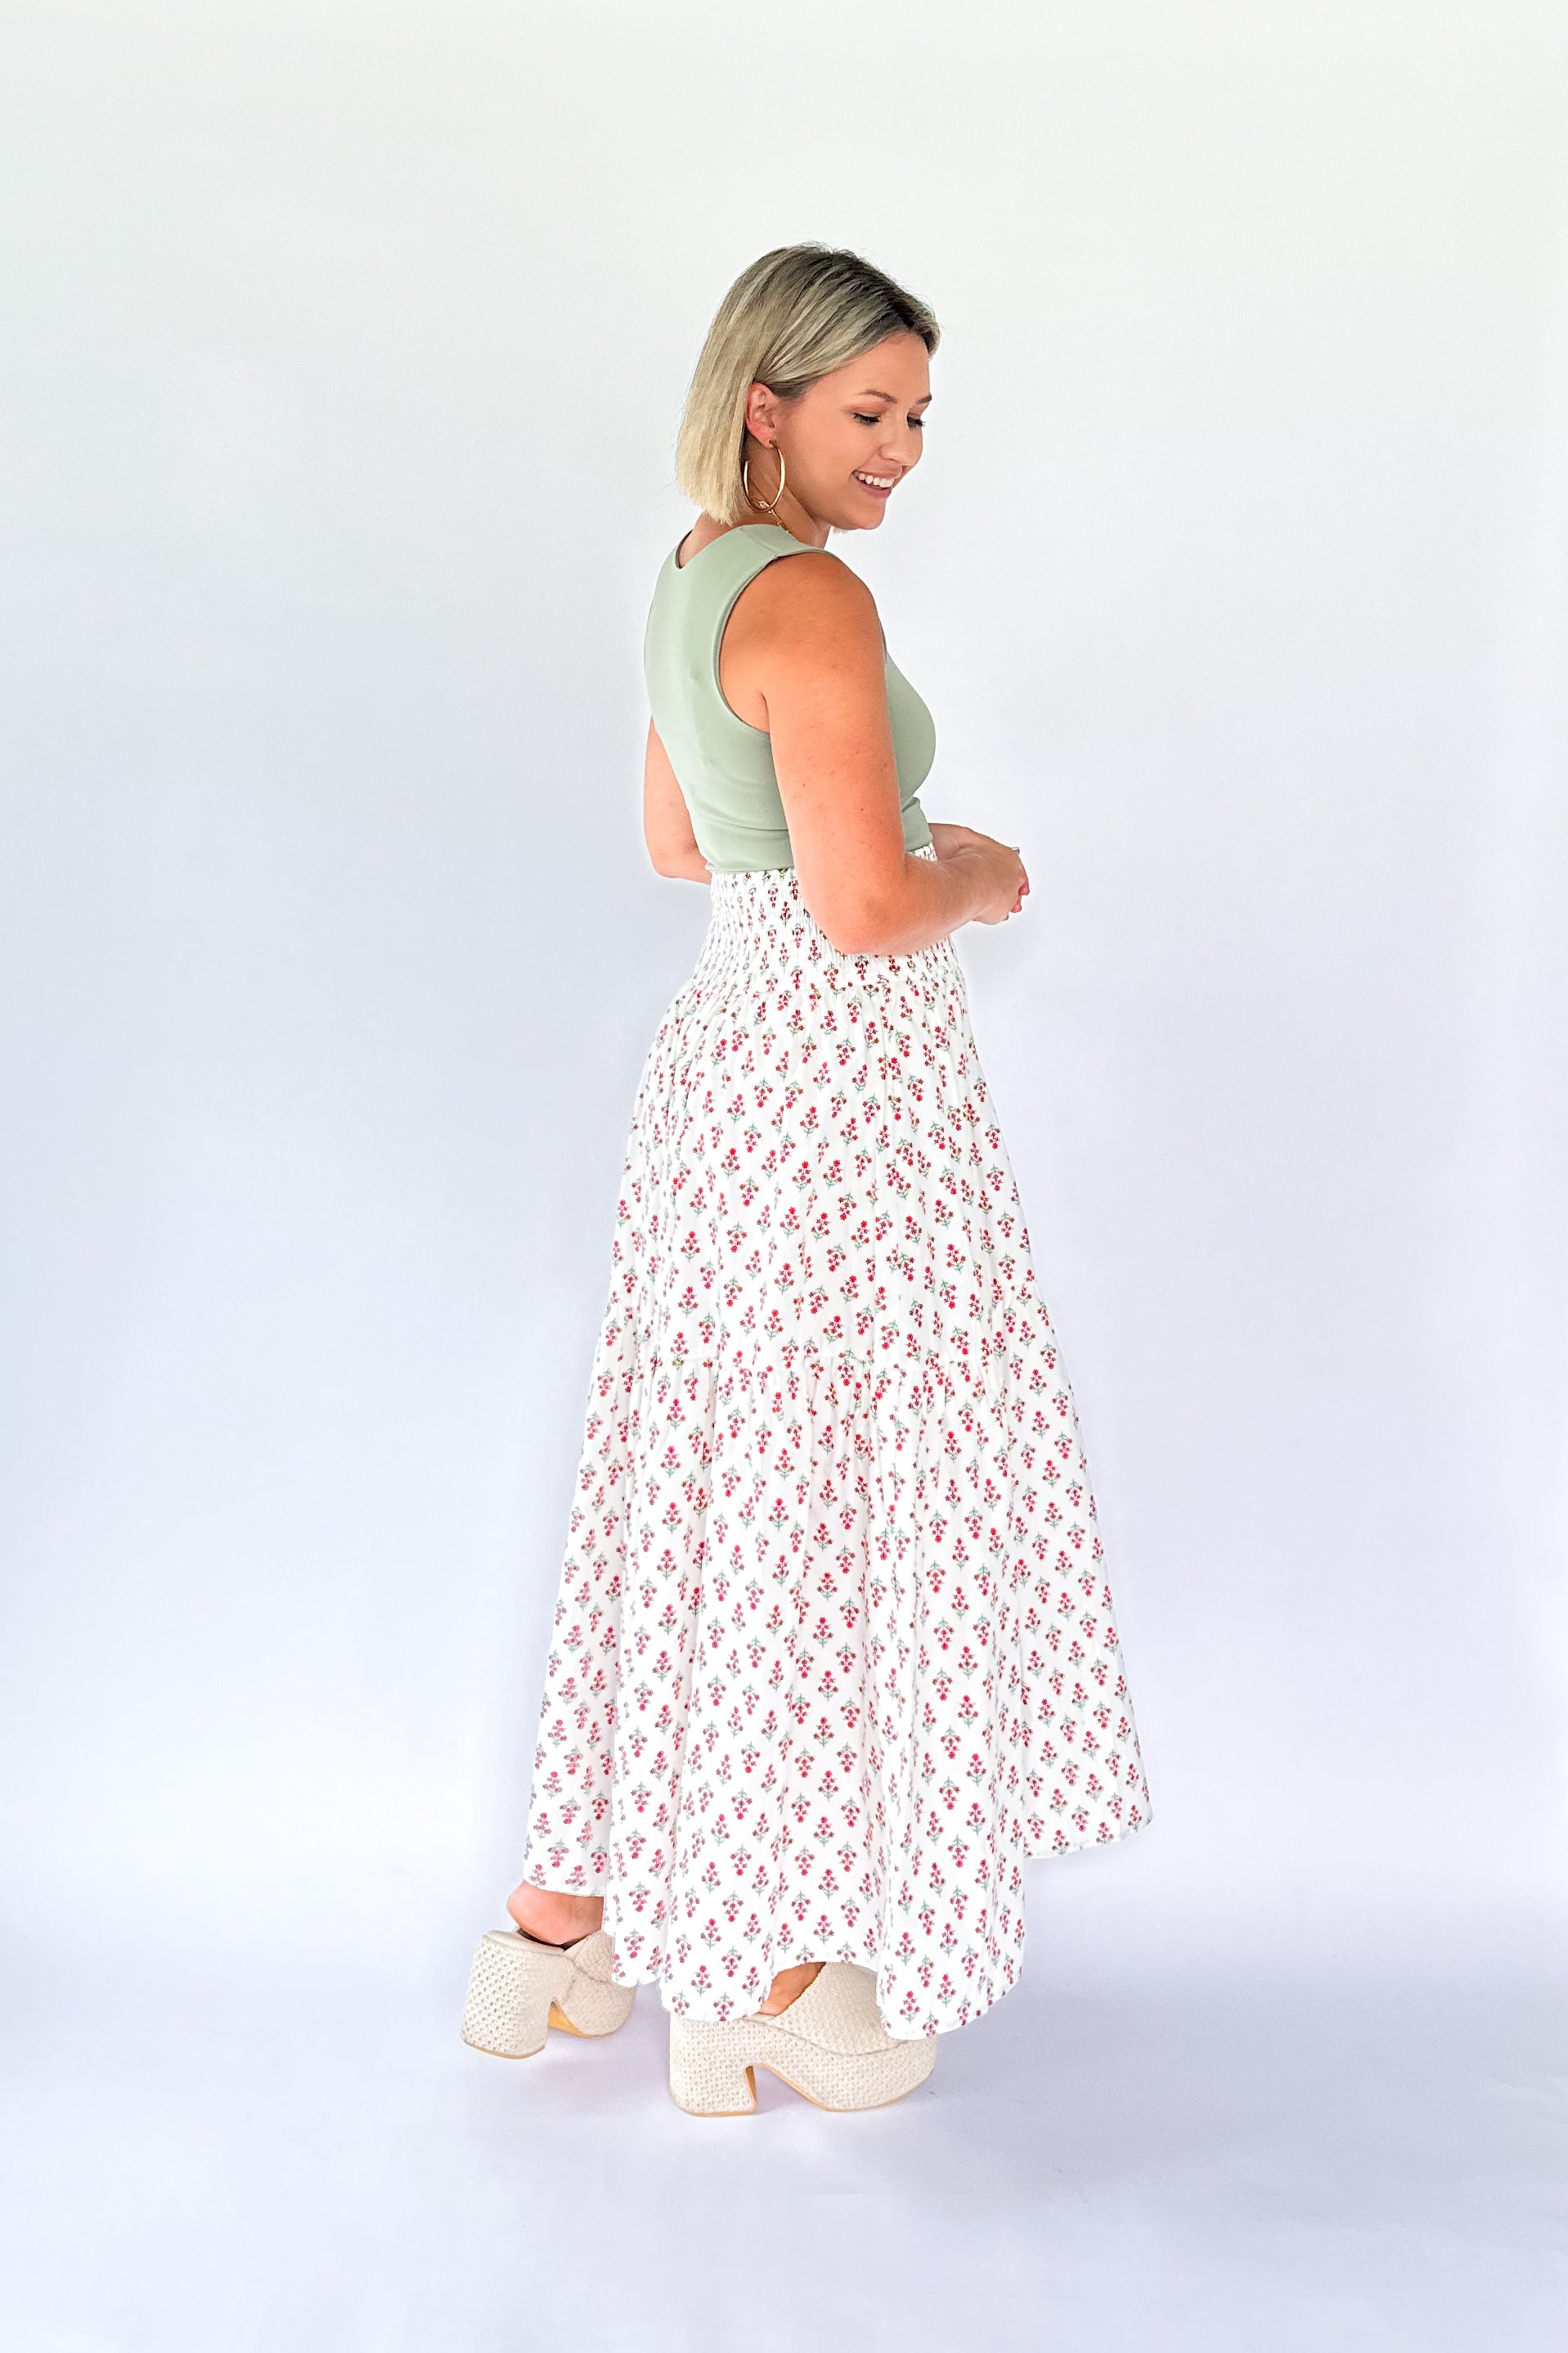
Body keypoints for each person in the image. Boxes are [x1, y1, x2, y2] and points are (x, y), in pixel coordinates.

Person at [461, 243, 1151, 2117]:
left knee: (700, 1478)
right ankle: (762, 1982)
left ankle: (554, 1931)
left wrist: (878, 846)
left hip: (728, 1071)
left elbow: (683, 843)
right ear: (764, 403)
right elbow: (861, 909)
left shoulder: (696, 570)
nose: (901, 446)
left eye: (917, 413)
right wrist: (971, 874)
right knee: (817, 1493)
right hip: (841, 1082)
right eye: (868, 410)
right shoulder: (817, 600)